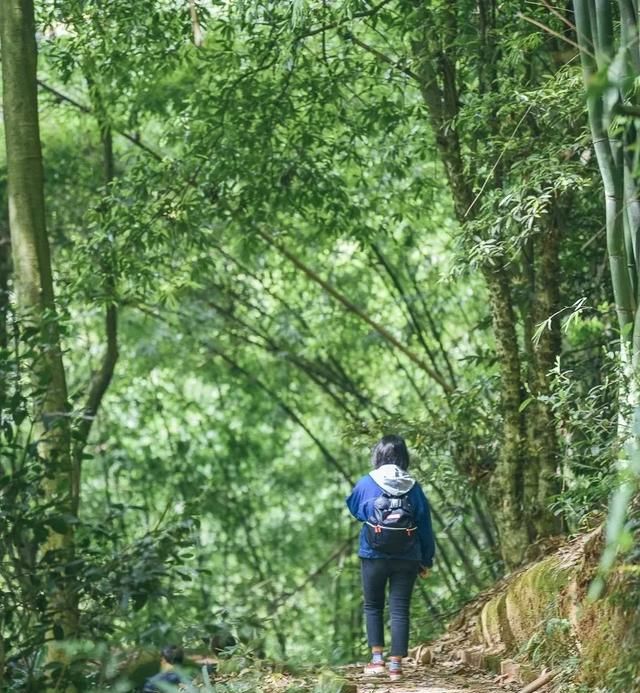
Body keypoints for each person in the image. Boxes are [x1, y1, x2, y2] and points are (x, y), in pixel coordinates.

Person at [346, 434, 435, 681]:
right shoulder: (413, 487)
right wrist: (426, 560)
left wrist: (369, 514)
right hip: (407, 557)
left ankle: (377, 661)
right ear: (403, 456)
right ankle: (396, 666)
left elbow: (352, 506)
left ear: (378, 455)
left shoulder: (367, 482)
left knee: (373, 606)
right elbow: (425, 525)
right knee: (399, 609)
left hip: (372, 554)